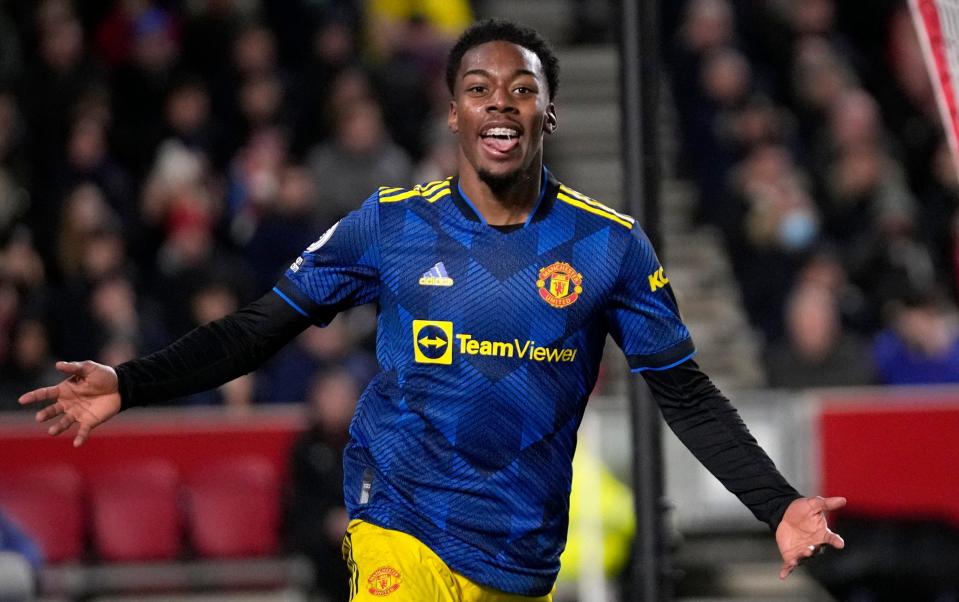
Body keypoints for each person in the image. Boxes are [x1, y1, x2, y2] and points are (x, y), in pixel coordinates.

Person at [19, 19, 845, 602]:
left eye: (521, 90)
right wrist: (130, 381)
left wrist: (776, 505)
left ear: (547, 113)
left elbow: (684, 392)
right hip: (400, 516)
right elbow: (255, 329)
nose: (499, 104)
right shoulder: (390, 225)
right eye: (478, 88)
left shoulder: (607, 248)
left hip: (520, 552)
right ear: (452, 113)